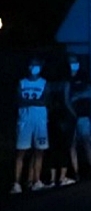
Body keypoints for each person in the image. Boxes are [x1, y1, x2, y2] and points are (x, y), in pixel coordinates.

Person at [12, 57, 49, 193]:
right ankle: (16, 183)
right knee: (21, 151)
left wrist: (31, 101)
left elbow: (44, 100)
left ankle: (36, 180)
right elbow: (19, 100)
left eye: (37, 65)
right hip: (24, 121)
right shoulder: (22, 82)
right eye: (32, 65)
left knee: (39, 151)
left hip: (40, 121)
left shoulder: (44, 82)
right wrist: (34, 101)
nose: (34, 67)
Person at [46, 57, 78, 187]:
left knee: (53, 148)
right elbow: (66, 101)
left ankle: (52, 179)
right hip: (64, 117)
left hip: (52, 116)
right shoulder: (65, 83)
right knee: (64, 147)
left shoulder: (49, 84)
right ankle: (62, 177)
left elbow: (48, 102)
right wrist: (74, 115)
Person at [69, 57, 91, 177]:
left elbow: (90, 91)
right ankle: (76, 172)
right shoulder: (67, 78)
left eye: (75, 62)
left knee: (86, 141)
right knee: (72, 145)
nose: (73, 65)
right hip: (70, 117)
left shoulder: (83, 76)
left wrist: (77, 96)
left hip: (84, 115)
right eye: (71, 62)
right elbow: (66, 96)